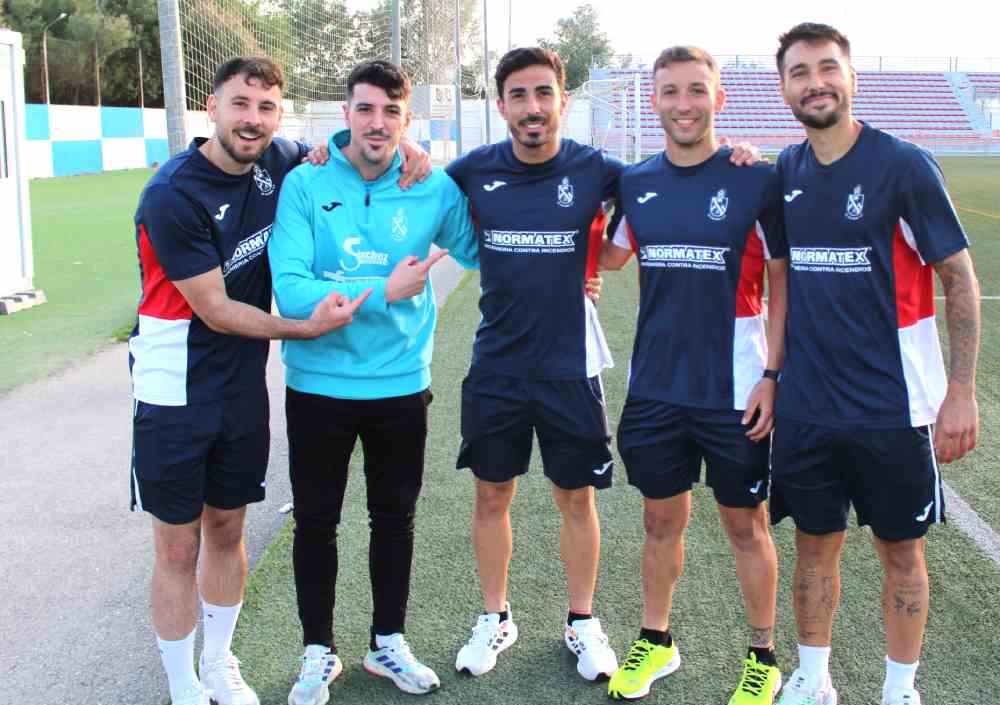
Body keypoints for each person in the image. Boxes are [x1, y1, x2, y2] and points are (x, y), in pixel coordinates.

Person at [129, 56, 428, 705]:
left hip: (239, 386)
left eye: (266, 107)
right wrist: (308, 328)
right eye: (241, 104)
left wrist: (412, 148)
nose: (253, 120)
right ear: (212, 107)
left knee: (229, 529)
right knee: (178, 548)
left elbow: (351, 145)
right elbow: (215, 309)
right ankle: (182, 687)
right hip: (174, 384)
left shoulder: (279, 160)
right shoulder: (171, 193)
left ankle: (218, 662)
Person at [768, 23, 981, 705]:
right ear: (784, 89)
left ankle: (899, 689)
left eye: (827, 68)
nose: (815, 83)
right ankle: (813, 678)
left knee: (901, 553)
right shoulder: (786, 171)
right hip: (807, 407)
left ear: (851, 77)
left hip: (893, 408)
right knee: (813, 548)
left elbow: (960, 278)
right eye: (799, 73)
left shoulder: (903, 166)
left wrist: (962, 389)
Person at [268, 60, 480, 704]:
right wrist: (381, 290)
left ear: (407, 120)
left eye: (392, 111)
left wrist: (457, 178)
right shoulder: (305, 182)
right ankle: (318, 651)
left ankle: (387, 642)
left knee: (395, 519)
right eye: (366, 109)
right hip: (318, 385)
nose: (378, 122)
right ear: (346, 115)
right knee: (316, 522)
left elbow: (475, 248)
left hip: (398, 385)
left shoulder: (430, 185)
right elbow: (293, 288)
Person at [598, 46, 788, 705]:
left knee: (746, 524)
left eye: (696, 90)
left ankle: (763, 654)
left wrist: (773, 372)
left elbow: (783, 280)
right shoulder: (635, 182)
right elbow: (610, 257)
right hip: (655, 387)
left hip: (735, 388)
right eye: (670, 91)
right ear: (653, 100)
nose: (684, 102)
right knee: (659, 520)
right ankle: (657, 639)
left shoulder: (754, 179)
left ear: (719, 98)